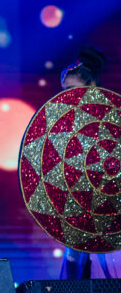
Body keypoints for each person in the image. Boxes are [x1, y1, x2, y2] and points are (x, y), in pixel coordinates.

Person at [58, 47, 115, 280]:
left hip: (111, 208)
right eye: (63, 91)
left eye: (72, 90)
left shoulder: (113, 118)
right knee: (75, 274)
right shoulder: (65, 125)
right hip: (79, 209)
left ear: (91, 85)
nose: (67, 96)